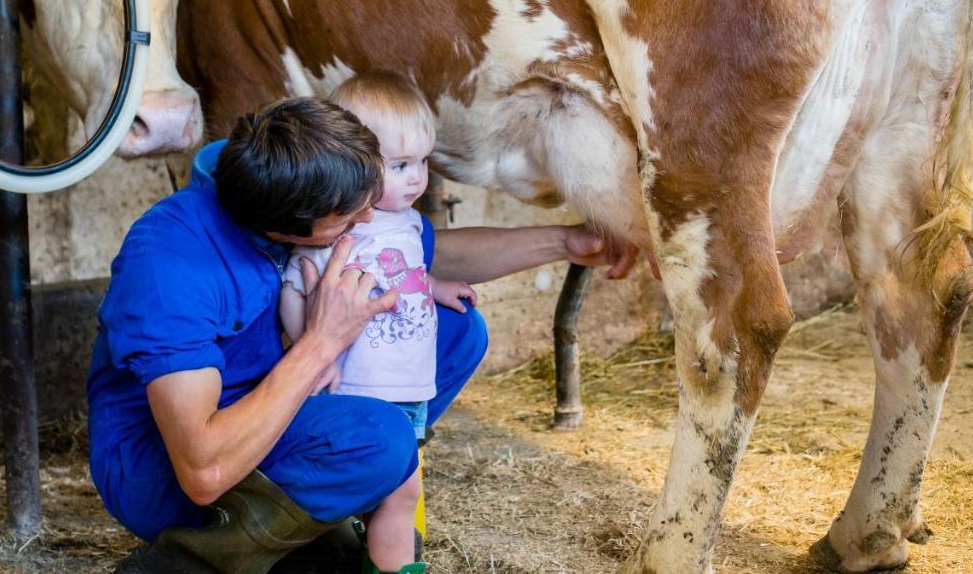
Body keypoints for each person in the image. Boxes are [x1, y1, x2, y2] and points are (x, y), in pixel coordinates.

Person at [87, 96, 633, 572]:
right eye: (349, 223)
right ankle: (194, 560)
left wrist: (565, 241)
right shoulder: (172, 266)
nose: (369, 222)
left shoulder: (286, 178)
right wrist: (321, 341)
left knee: (454, 330)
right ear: (288, 231)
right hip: (165, 469)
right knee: (383, 439)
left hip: (267, 405)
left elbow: (417, 251)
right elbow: (201, 468)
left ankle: (318, 517)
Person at [281, 74, 477, 573]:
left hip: (404, 388)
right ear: (353, 165)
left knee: (397, 491)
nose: (417, 179)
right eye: (400, 166)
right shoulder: (338, 228)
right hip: (358, 388)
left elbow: (404, 271)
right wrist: (307, 348)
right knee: (398, 490)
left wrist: (433, 286)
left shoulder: (408, 219)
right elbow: (298, 285)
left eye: (423, 162)